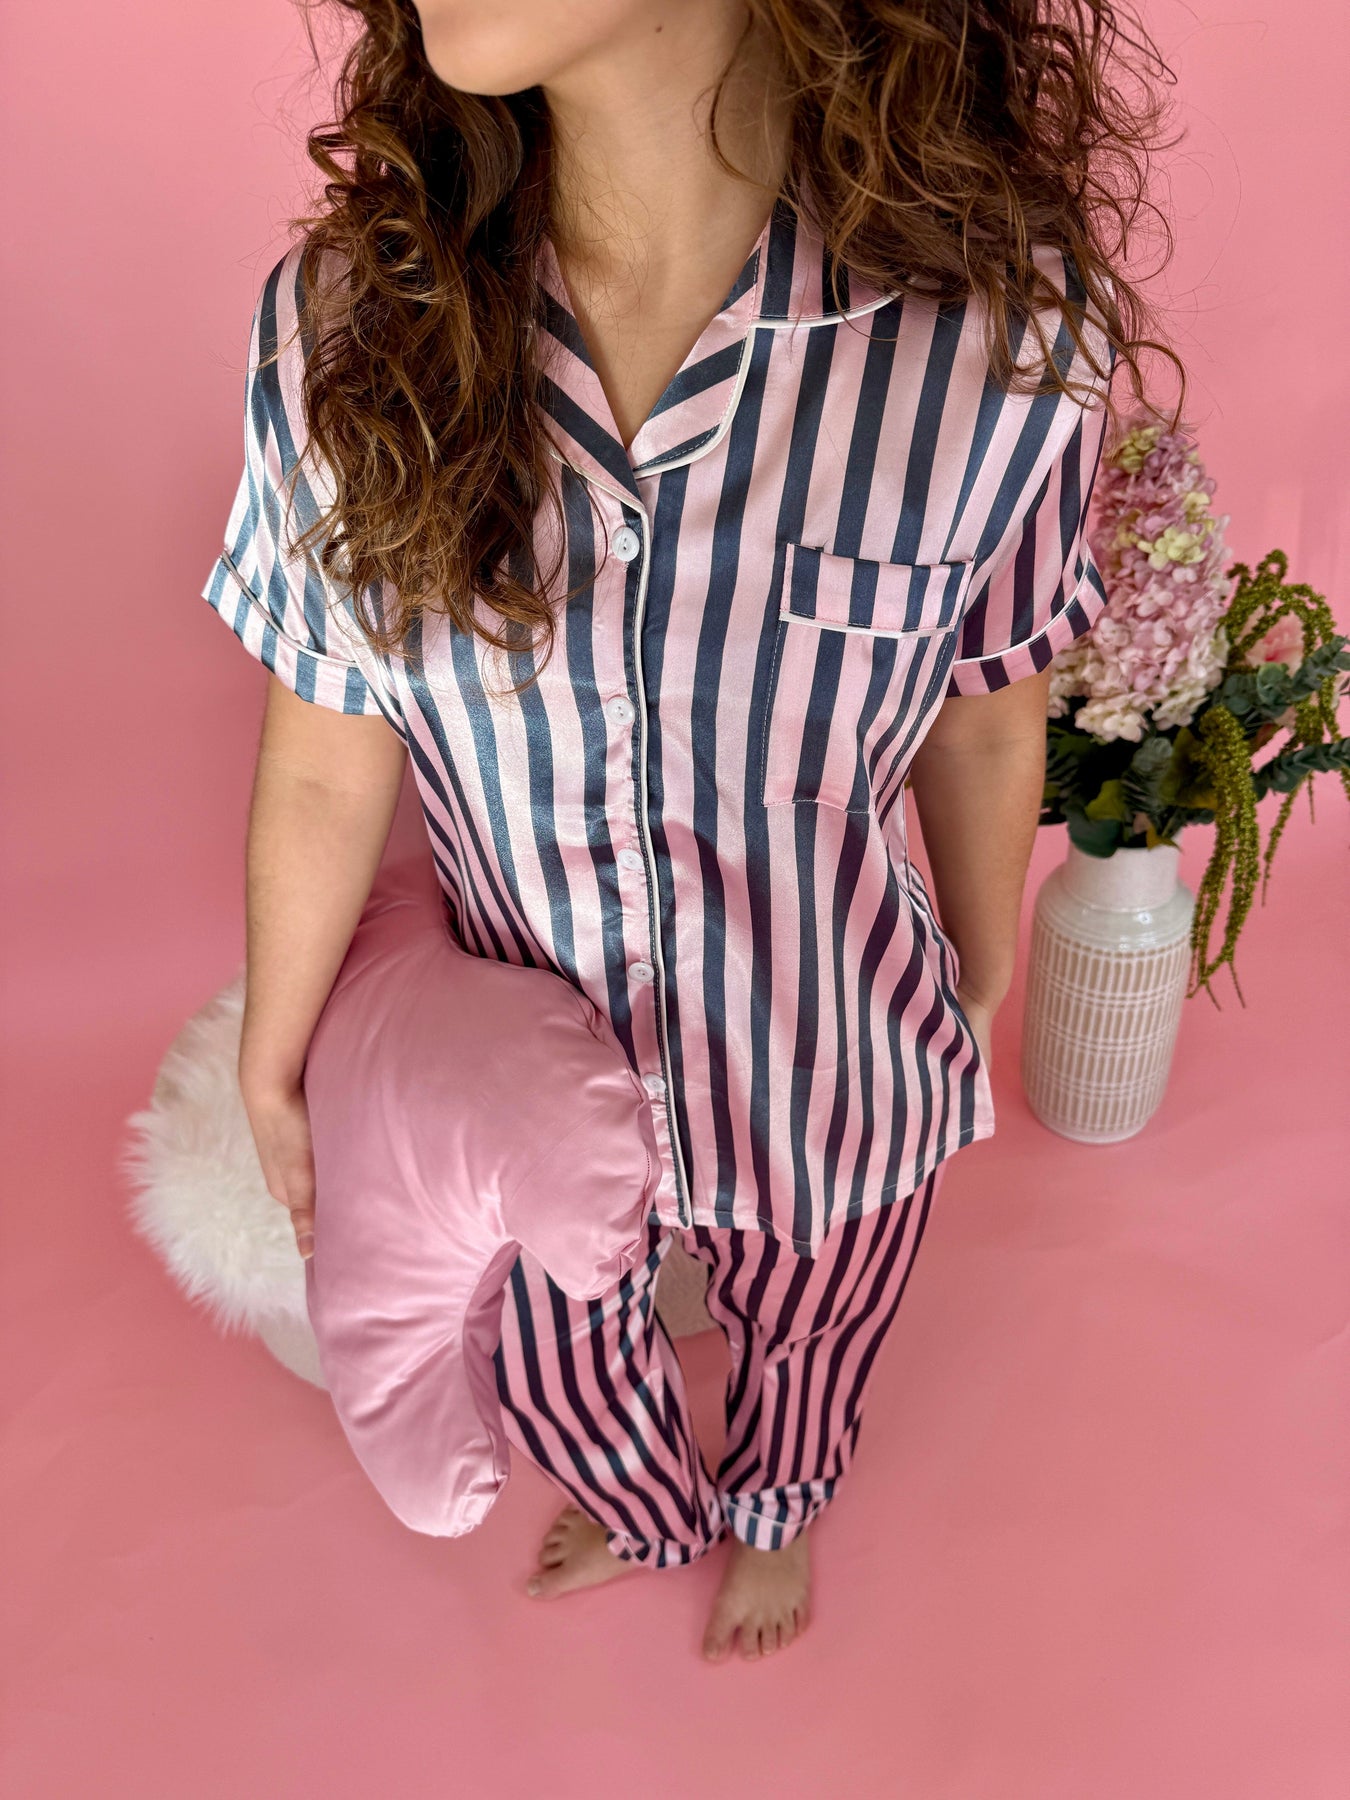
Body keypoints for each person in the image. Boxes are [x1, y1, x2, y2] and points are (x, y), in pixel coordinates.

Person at [202, 0, 1177, 1662]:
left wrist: (979, 963)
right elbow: (322, 744)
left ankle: (779, 1507)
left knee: (822, 1326)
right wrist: (272, 1055)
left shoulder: (993, 335)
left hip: (833, 1068)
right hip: (515, 1092)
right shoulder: (352, 326)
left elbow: (983, 705)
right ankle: (648, 1507)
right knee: (557, 1356)